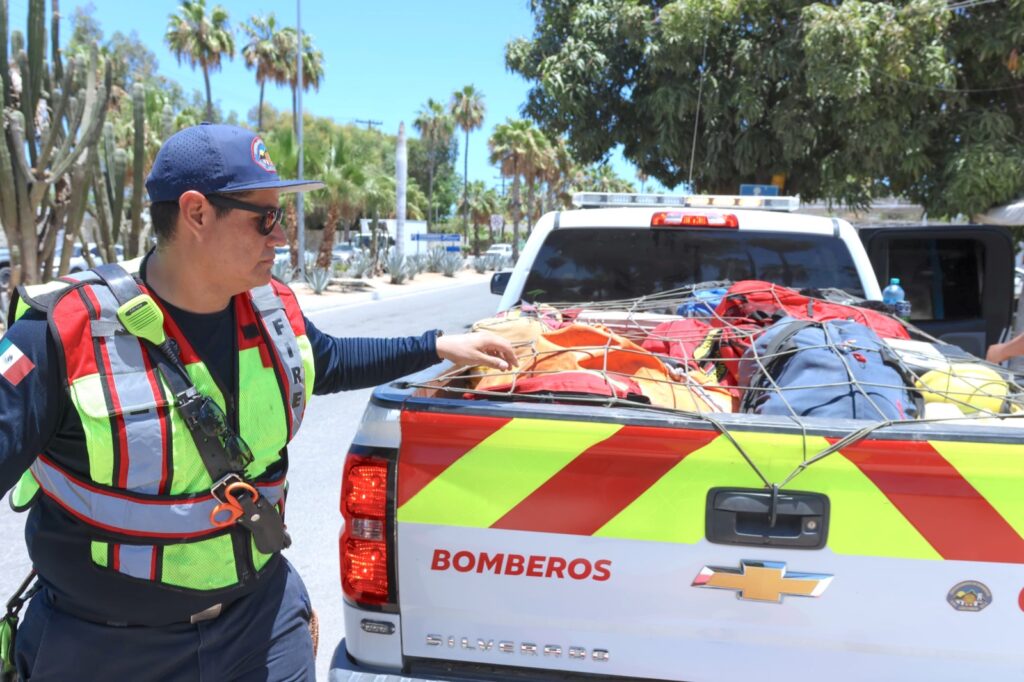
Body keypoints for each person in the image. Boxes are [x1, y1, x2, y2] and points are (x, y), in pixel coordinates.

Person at [0, 123, 517, 680]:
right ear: (196, 214)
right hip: (105, 649)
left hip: (260, 627)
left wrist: (436, 345)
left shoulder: (269, 311)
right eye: (265, 218)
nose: (283, 237)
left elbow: (327, 361)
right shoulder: (60, 334)